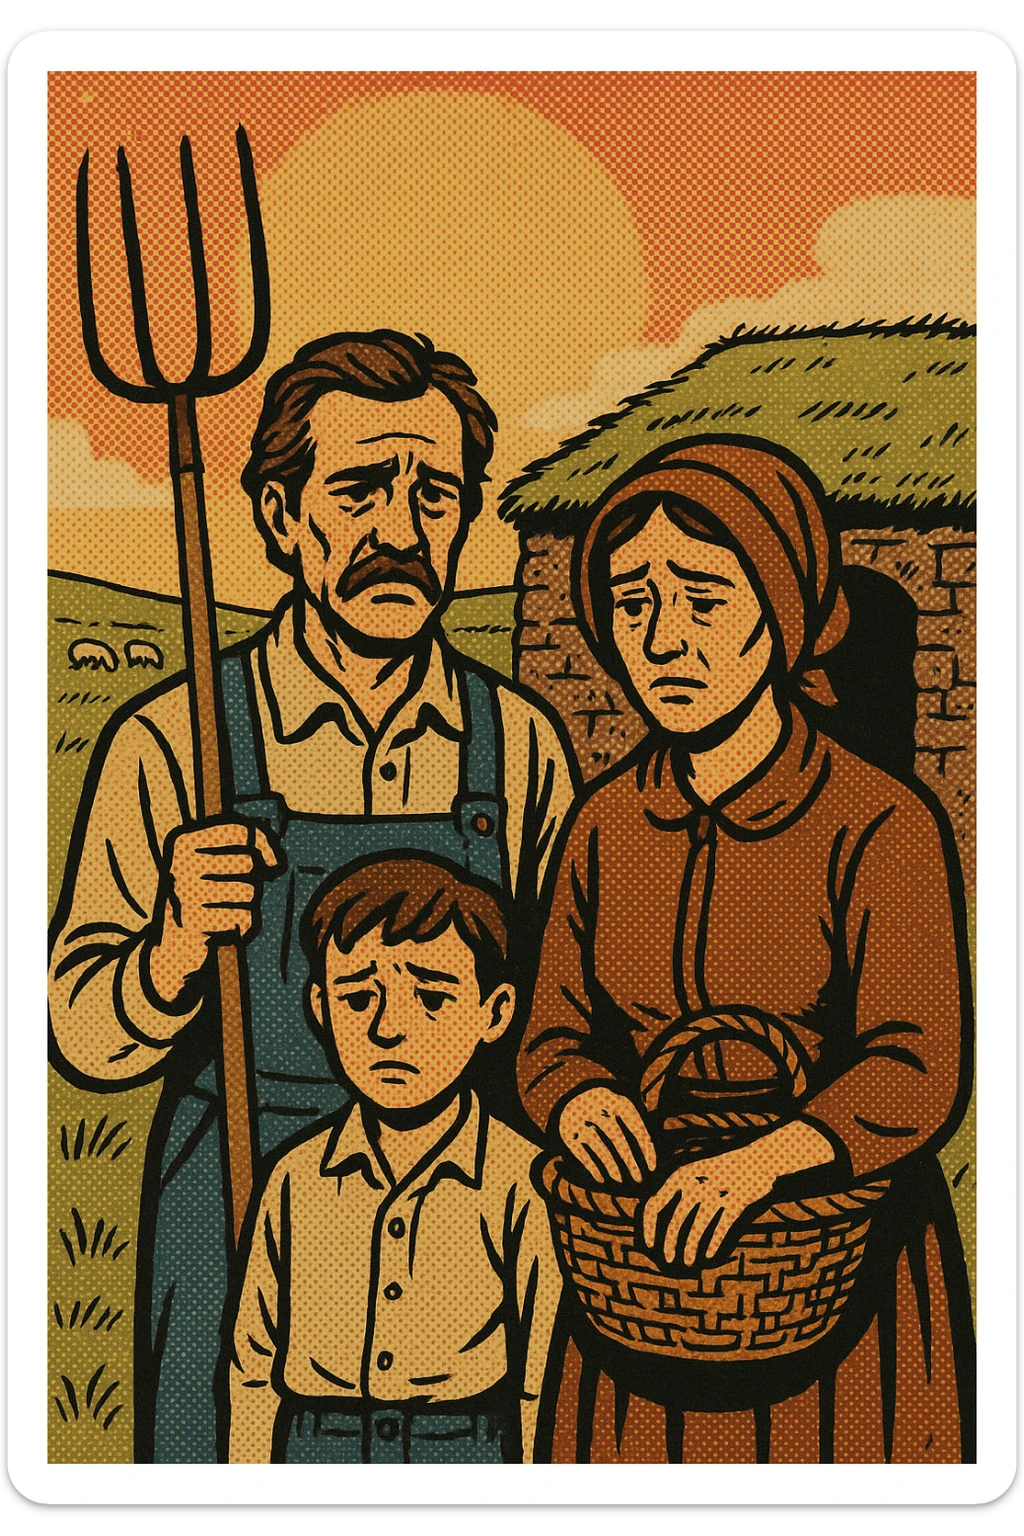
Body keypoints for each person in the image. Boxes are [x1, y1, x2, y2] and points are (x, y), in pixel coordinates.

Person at [48, 330, 577, 1463]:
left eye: (433, 494)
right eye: (357, 490)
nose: (399, 529)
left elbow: (563, 1015)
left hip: (462, 1224)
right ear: (281, 520)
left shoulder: (520, 747)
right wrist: (173, 944)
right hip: (229, 1198)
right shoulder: (173, 741)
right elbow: (82, 1035)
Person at [517, 436, 975, 1464]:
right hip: (641, 1267)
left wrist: (762, 1165)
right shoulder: (604, 825)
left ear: (782, 611)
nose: (664, 639)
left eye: (703, 599)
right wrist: (583, 1099)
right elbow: (549, 1037)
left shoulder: (877, 823)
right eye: (632, 603)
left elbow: (916, 1063)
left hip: (831, 1252)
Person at [225, 853, 563, 1464]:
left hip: (467, 1454)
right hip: (313, 1454)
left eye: (432, 998)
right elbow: (252, 1370)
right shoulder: (295, 1180)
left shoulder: (525, 1181)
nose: (390, 1028)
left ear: (495, 1012)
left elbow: (543, 1381)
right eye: (357, 999)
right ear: (321, 1007)